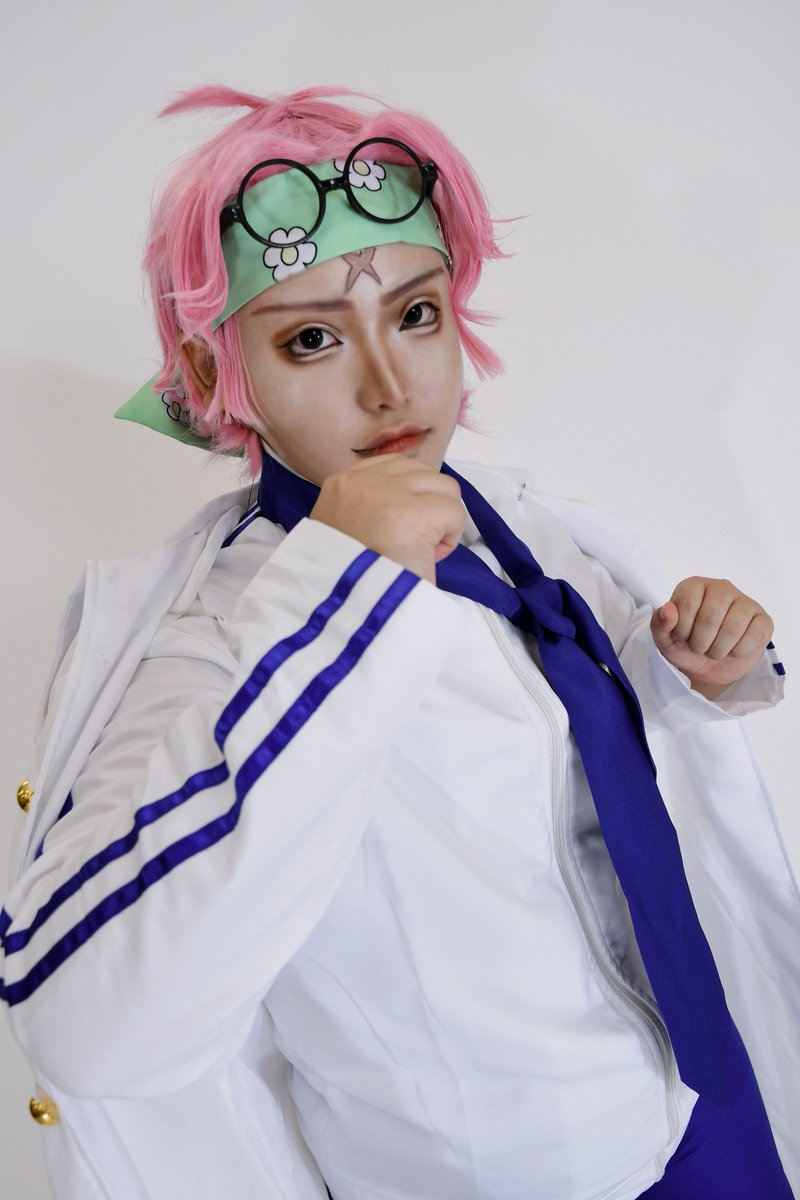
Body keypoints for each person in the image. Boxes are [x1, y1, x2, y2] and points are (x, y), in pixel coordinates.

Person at [1, 85, 797, 1200]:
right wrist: (342, 590)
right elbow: (82, 1023)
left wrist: (688, 673)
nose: (390, 386)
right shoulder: (214, 637)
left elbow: (570, 764)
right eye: (312, 338)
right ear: (213, 375)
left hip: (705, 1095)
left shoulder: (511, 521)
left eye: (416, 314)